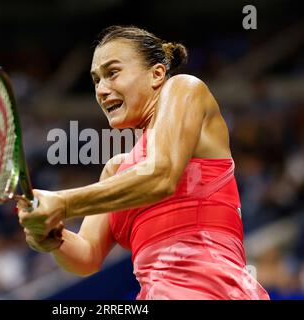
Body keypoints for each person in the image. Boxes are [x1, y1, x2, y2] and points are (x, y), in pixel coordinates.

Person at [17, 25, 270, 300]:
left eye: (112, 73)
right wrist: (53, 235)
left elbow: (161, 177)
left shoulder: (184, 88)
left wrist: (62, 204)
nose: (102, 90)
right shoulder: (117, 169)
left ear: (157, 74)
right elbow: (87, 257)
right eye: (96, 80)